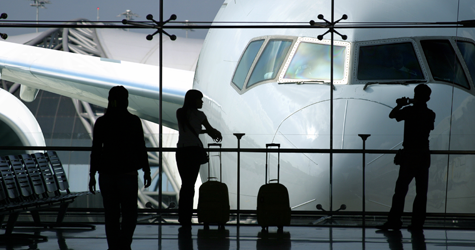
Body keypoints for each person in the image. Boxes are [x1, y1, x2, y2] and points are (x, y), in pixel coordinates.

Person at [89, 85, 152, 250]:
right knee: (130, 213)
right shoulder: (133, 121)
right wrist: (146, 170)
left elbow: (96, 150)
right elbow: (140, 147)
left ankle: (113, 246)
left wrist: (92, 174)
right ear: (126, 100)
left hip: (107, 173)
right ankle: (124, 244)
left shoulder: (102, 122)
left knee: (111, 214)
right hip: (128, 173)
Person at [378, 84, 435, 231]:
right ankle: (417, 223)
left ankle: (394, 221)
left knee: (400, 191)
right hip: (423, 155)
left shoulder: (409, 111)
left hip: (409, 155)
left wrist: (400, 105)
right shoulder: (430, 114)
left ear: (415, 95)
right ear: (428, 98)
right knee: (421, 192)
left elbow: (392, 115)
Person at [176, 89, 222, 230]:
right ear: (194, 100)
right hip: (194, 152)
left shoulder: (180, 113)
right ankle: (187, 216)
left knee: (185, 185)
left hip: (181, 151)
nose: (201, 101)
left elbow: (190, 129)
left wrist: (201, 130)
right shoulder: (200, 115)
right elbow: (209, 129)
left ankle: (183, 216)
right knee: (191, 185)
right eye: (199, 99)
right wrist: (214, 133)